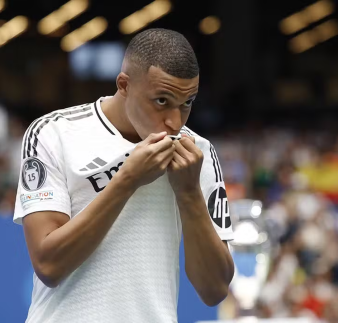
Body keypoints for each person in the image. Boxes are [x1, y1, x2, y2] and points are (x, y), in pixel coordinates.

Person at [14, 28, 235, 323]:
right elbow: (48, 265)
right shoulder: (53, 133)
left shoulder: (199, 154)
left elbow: (214, 290)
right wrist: (127, 180)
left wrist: (189, 193)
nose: (174, 121)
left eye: (187, 103)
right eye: (161, 101)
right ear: (124, 85)